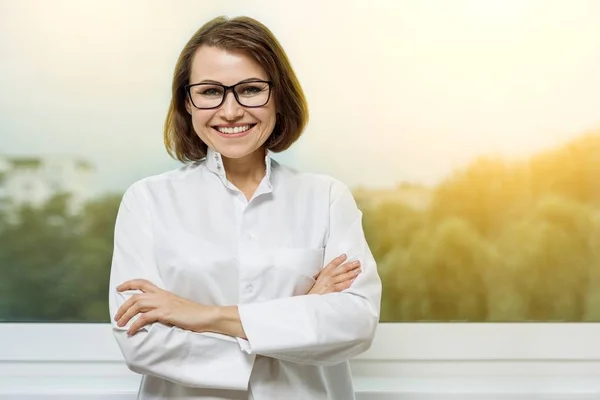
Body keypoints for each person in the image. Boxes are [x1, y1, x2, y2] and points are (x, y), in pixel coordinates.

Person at [108, 15, 382, 400]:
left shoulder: (327, 198)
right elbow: (142, 342)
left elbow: (354, 324)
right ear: (187, 102)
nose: (231, 110)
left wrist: (204, 315)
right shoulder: (147, 201)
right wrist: (301, 314)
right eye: (209, 91)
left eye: (251, 89)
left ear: (279, 96)